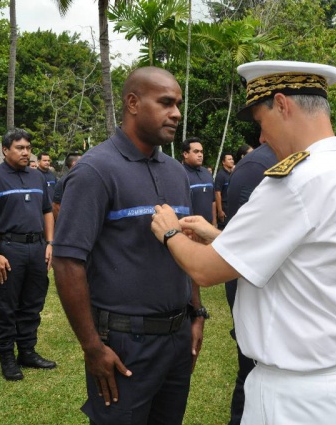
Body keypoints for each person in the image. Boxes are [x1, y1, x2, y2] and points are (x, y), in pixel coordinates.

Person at [151, 60, 336, 424]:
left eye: (261, 121)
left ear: (283, 104)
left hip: (297, 396)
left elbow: (205, 270)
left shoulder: (295, 182)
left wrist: (169, 232)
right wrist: (220, 237)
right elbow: (306, 258)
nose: (260, 138)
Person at [53, 66, 204, 425]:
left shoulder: (176, 172)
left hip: (177, 337)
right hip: (124, 344)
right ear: (133, 103)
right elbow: (67, 262)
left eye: (178, 104)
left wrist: (196, 314)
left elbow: (187, 247)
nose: (176, 114)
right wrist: (92, 347)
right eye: (166, 103)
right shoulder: (95, 170)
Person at [0, 129, 56, 381]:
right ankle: (7, 357)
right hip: (9, 248)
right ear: (5, 150)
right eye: (20, 148)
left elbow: (47, 211)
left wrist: (50, 243)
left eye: (28, 148)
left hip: (37, 247)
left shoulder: (37, 177)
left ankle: (27, 351)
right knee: (7, 305)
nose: (25, 152)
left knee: (33, 303)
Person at [224, 141, 277, 424]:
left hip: (278, 288)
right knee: (252, 368)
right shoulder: (257, 166)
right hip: (254, 284)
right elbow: (241, 242)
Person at [182, 137, 216, 226]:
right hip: (189, 228)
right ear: (185, 154)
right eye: (196, 152)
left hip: (208, 226)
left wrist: (214, 223)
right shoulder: (180, 174)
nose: (200, 155)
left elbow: (213, 201)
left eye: (201, 152)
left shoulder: (207, 173)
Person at [52, 152, 81, 220]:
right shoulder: (63, 182)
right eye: (82, 161)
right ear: (74, 163)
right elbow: (56, 206)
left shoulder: (83, 179)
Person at [214, 152, 234, 229]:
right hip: (224, 209)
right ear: (223, 162)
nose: (232, 161)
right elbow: (217, 193)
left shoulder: (232, 174)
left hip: (231, 208)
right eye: (229, 159)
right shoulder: (220, 175)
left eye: (232, 159)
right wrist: (220, 211)